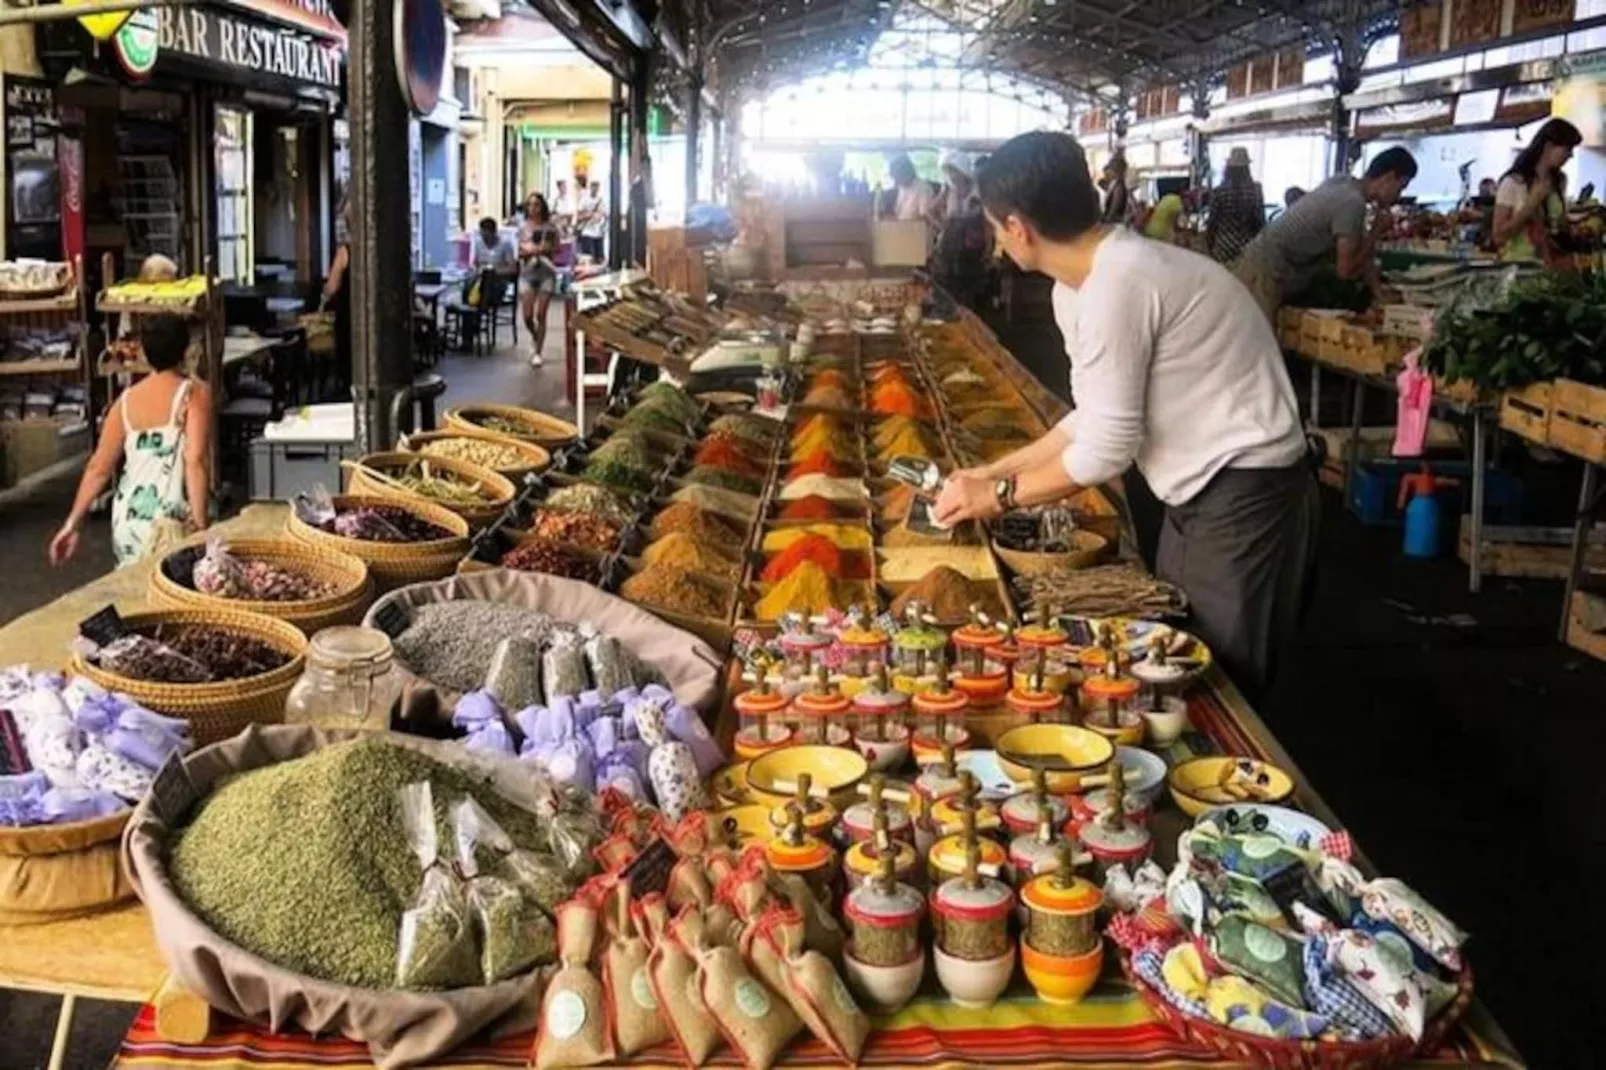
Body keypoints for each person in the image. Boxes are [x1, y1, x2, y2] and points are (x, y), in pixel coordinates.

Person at [932, 131, 1315, 700]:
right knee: (1173, 642)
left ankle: (1232, 787)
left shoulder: (1120, 281)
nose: (993, 241)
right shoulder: (1080, 285)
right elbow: (1090, 418)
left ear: (1017, 227)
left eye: (993, 226)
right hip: (1193, 485)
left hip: (1244, 486)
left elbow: (1107, 447)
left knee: (1217, 674)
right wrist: (989, 475)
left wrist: (1000, 496)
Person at [50, 315, 211, 568]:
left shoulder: (124, 403)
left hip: (129, 522)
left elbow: (98, 469)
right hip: (171, 522)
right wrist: (201, 527)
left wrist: (71, 524)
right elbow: (195, 460)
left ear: (144, 352)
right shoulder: (194, 393)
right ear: (186, 349)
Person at [1233, 147, 1418, 323]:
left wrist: (1380, 297)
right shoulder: (1352, 203)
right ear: (1388, 178)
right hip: (1265, 274)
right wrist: (1376, 232)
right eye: (1401, 187)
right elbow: (1345, 270)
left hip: (1258, 263)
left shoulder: (1342, 182)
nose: (1399, 195)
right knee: (1254, 346)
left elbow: (1362, 254)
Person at [1492, 118, 1582, 266]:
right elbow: (1499, 236)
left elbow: (1558, 227)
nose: (1570, 155)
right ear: (1548, 146)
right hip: (1520, 270)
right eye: (1568, 149)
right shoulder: (1513, 183)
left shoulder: (1559, 181)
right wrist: (1530, 205)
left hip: (1553, 269)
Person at [517, 192, 560, 367]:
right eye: (530, 205)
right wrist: (530, 251)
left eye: (536, 204)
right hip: (528, 273)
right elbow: (519, 252)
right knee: (527, 316)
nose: (533, 208)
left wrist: (546, 248)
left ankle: (538, 351)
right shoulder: (523, 228)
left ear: (542, 207)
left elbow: (556, 248)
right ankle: (535, 335)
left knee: (541, 313)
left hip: (546, 274)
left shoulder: (550, 228)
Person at [1206, 146, 1265, 263]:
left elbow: (1212, 222)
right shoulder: (1256, 189)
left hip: (1223, 247)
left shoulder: (1218, 191)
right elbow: (1260, 221)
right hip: (1248, 247)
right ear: (1247, 168)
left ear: (1228, 168)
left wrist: (1209, 247)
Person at [884, 154, 935, 222]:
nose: (895, 183)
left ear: (906, 174)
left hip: (915, 228)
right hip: (899, 226)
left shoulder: (923, 188)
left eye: (897, 178)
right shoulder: (901, 187)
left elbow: (924, 216)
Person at [576, 180, 607, 261]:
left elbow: (603, 214)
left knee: (599, 258)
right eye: (594, 186)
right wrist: (589, 215)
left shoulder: (601, 200)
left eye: (597, 186)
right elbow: (579, 215)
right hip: (587, 232)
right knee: (588, 257)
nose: (595, 188)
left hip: (598, 232)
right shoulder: (584, 200)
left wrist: (599, 217)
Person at [1099, 153, 1131, 225]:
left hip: (1115, 223)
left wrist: (1106, 220)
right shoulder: (1114, 184)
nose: (1108, 174)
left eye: (1110, 171)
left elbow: (1114, 209)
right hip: (1113, 220)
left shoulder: (1119, 187)